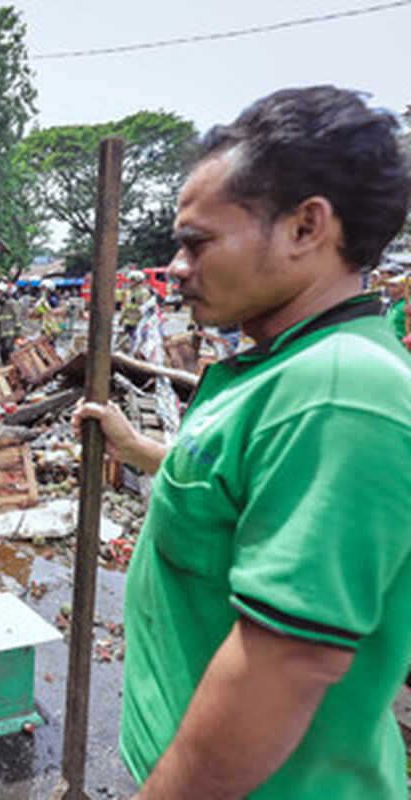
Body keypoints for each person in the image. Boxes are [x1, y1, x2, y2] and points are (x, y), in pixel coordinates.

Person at [74, 86, 411, 799]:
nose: (177, 266)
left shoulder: (338, 391)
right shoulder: (280, 368)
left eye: (198, 243)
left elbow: (283, 665)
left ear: (304, 228)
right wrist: (140, 450)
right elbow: (244, 495)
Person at [118, 269, 153, 339]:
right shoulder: (130, 292)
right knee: (121, 343)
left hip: (138, 324)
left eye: (132, 280)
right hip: (128, 323)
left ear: (137, 281)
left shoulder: (144, 293)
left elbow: (145, 309)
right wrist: (121, 319)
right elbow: (126, 307)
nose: (129, 282)